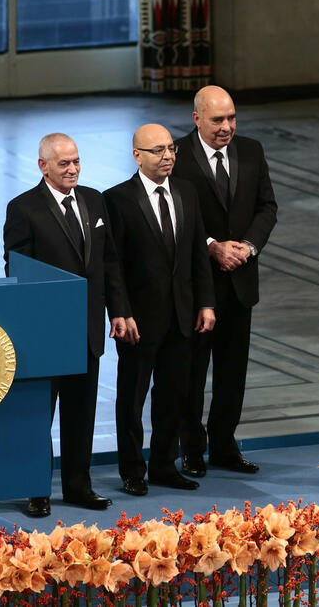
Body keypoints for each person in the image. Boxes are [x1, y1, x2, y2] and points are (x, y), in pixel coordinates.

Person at [4, 133, 138, 518]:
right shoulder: (23, 209)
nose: (73, 169)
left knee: (81, 412)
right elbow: (18, 271)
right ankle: (36, 490)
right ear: (43, 166)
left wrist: (119, 311)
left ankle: (79, 486)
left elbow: (109, 262)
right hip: (45, 334)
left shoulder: (95, 201)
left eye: (76, 161)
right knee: (39, 416)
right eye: (64, 163)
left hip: (87, 330)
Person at [103, 124, 216, 494]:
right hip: (139, 320)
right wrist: (120, 310)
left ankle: (165, 465)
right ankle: (133, 470)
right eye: (158, 151)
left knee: (174, 395)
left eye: (171, 149)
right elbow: (113, 263)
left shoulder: (187, 191)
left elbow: (198, 252)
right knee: (132, 398)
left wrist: (205, 303)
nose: (167, 156)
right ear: (137, 155)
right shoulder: (117, 199)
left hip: (183, 316)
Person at [171, 85, 278, 477]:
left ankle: (224, 444)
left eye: (232, 118)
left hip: (240, 282)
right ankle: (191, 448)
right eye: (218, 119)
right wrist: (212, 246)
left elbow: (267, 207)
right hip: (199, 289)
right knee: (193, 373)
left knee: (233, 373)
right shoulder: (177, 158)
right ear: (196, 118)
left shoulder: (252, 151)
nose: (227, 127)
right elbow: (175, 220)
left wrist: (247, 247)